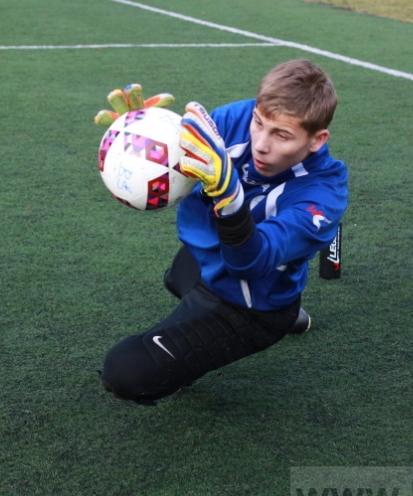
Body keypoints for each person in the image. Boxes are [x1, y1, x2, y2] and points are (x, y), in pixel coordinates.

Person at [97, 60, 348, 404]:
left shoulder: (324, 195)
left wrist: (229, 196)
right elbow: (184, 149)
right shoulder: (237, 119)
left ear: (317, 140)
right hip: (206, 261)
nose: (261, 143)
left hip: (252, 306)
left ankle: (283, 317)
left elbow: (251, 263)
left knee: (125, 370)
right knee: (176, 275)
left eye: (282, 135)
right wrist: (144, 133)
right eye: (260, 123)